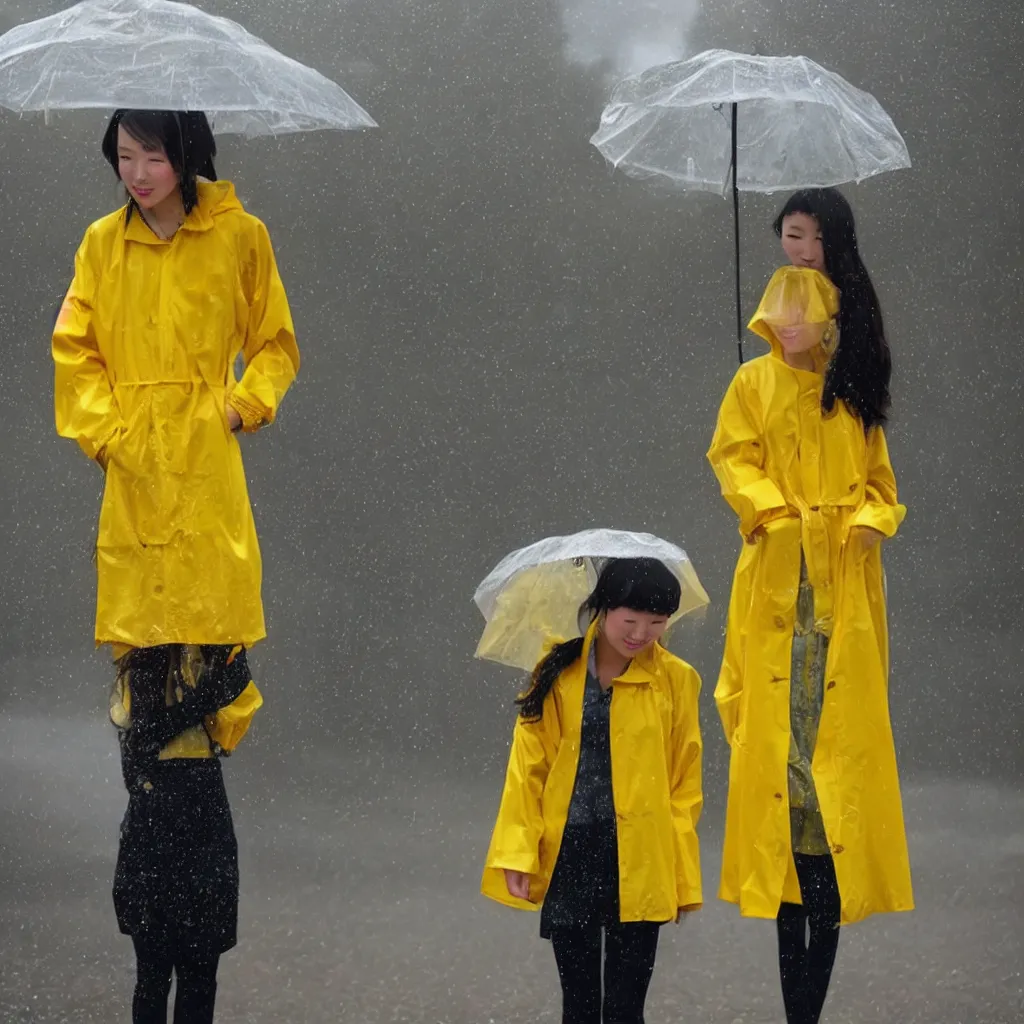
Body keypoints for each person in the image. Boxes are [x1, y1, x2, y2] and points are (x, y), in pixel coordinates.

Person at [51, 108, 299, 1022]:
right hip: (132, 469)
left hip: (207, 458)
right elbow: (72, 351)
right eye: (123, 157)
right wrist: (107, 433)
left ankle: (193, 931)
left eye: (152, 155)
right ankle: (154, 923)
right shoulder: (98, 245)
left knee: (211, 650)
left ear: (187, 155)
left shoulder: (240, 234)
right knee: (139, 666)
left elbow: (274, 343)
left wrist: (239, 408)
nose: (138, 173)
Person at [707, 265, 913, 1024]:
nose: (785, 324)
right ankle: (797, 964)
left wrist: (867, 523)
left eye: (800, 313)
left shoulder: (852, 396)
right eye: (776, 312)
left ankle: (810, 991)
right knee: (777, 738)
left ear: (827, 321)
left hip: (845, 590)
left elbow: (886, 489)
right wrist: (771, 514)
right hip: (775, 578)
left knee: (838, 747)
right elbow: (733, 457)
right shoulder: (751, 384)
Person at [481, 557, 703, 1024]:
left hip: (641, 854)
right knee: (579, 1005)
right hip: (572, 854)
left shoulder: (677, 680)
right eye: (631, 620)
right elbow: (528, 770)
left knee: (626, 1010)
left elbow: (684, 783)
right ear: (603, 609)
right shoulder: (558, 671)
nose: (641, 634)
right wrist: (518, 852)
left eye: (657, 623)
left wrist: (679, 873)